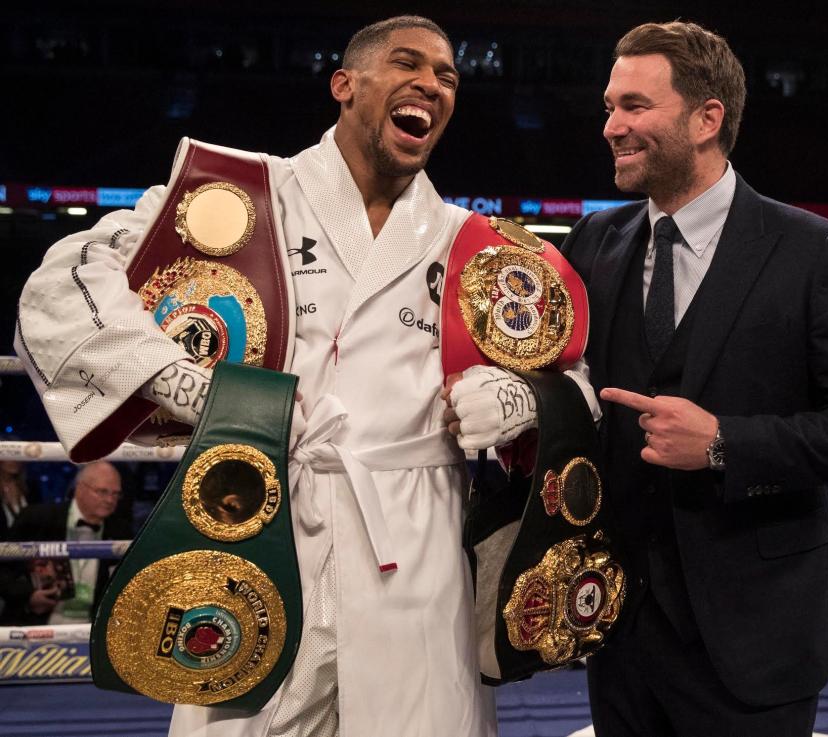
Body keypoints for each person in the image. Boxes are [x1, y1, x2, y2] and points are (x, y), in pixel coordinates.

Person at [12, 14, 566, 737]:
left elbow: (574, 371)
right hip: (259, 517)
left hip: (418, 540)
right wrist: (189, 383)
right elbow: (58, 293)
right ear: (345, 84)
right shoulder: (235, 194)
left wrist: (523, 396)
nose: (430, 84)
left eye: (447, 76)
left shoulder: (478, 243)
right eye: (408, 64)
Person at [561, 21, 828, 737]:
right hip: (620, 631)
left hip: (755, 636)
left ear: (707, 117)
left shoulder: (812, 250)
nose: (611, 127)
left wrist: (724, 443)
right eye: (608, 107)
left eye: (633, 106)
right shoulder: (598, 239)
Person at [4, 461, 130, 625]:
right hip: (35, 626)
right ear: (80, 488)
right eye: (102, 491)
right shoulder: (37, 518)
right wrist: (28, 596)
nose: (110, 500)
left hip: (92, 629)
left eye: (115, 494)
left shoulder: (121, 530)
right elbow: (3, 570)